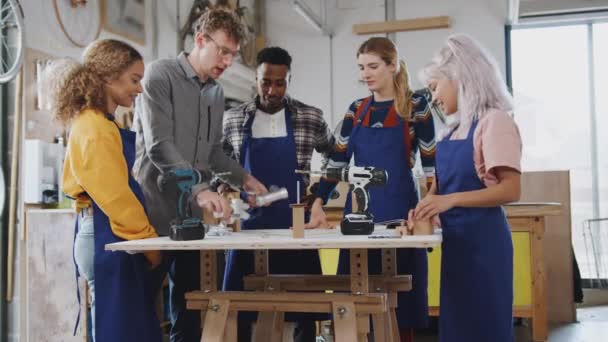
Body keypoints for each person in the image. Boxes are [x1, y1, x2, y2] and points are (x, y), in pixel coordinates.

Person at [132, 7, 267, 342]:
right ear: (201, 39)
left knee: (190, 309)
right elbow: (159, 145)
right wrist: (199, 190)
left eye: (232, 55)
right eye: (222, 51)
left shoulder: (216, 92)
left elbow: (213, 153)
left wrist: (244, 179)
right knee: (140, 309)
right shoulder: (159, 76)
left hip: (193, 219)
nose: (226, 61)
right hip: (154, 215)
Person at [309, 37, 436, 342]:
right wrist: (317, 202)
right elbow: (337, 162)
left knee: (403, 304)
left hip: (403, 218)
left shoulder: (416, 107)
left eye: (373, 66)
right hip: (360, 221)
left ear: (392, 66)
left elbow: (432, 166)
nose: (365, 73)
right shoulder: (356, 110)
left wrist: (432, 205)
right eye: (361, 67)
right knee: (355, 300)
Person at [413, 33, 521, 342]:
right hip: (457, 249)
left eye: (435, 87)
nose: (432, 98)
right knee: (457, 331)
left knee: (485, 330)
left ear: (460, 77)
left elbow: (510, 190)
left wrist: (450, 201)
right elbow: (438, 192)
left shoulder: (494, 121)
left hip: (485, 249)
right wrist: (425, 209)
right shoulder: (450, 133)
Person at [221, 46, 335, 341]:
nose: (272, 90)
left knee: (304, 308)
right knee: (240, 304)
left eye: (280, 82)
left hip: (295, 225)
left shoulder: (309, 117)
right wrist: (224, 191)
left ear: (289, 79)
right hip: (248, 227)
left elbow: (336, 155)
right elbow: (217, 164)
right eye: (265, 82)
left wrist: (319, 195)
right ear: (256, 79)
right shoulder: (233, 119)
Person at [52, 39, 161, 342]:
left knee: (122, 327)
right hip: (108, 234)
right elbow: (116, 198)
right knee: (118, 331)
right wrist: (149, 243)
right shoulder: (94, 128)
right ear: (109, 76)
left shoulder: (100, 122)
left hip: (110, 232)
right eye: (134, 80)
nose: (139, 89)